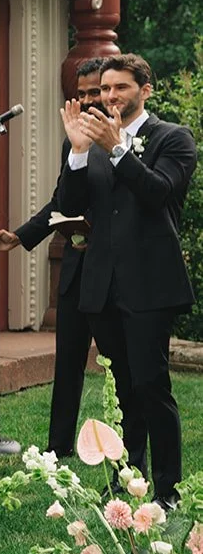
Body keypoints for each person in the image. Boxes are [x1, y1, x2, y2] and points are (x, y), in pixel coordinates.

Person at [58, 53, 197, 506]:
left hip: (150, 284)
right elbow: (69, 203)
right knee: (120, 391)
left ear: (145, 90)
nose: (109, 96)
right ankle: (126, 480)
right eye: (104, 89)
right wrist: (79, 152)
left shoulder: (174, 139)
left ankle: (168, 490)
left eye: (120, 87)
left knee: (151, 385)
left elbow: (157, 193)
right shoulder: (90, 142)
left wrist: (118, 149)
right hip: (103, 285)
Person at [0, 59, 105, 456]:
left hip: (115, 272)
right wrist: (18, 237)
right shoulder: (71, 142)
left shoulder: (122, 142)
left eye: (95, 92)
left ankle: (123, 454)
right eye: (82, 93)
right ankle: (59, 451)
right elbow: (61, 201)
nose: (88, 101)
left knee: (121, 370)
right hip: (75, 269)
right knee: (67, 365)